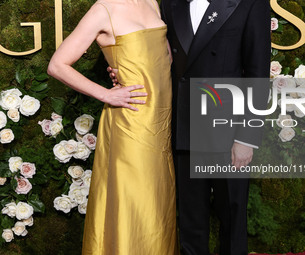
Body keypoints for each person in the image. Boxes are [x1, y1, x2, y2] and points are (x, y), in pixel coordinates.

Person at [109, 0, 271, 254]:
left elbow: (258, 73)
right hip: (185, 123)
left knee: (232, 214)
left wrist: (247, 138)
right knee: (190, 219)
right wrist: (126, 69)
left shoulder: (250, 3)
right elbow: (158, 56)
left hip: (229, 129)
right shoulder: (172, 3)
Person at [47, 0, 179, 254]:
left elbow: (164, 59)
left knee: (159, 202)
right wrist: (106, 94)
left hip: (161, 121)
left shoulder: (152, 2)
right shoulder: (103, 9)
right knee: (137, 201)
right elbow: (57, 65)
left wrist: (128, 66)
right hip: (130, 122)